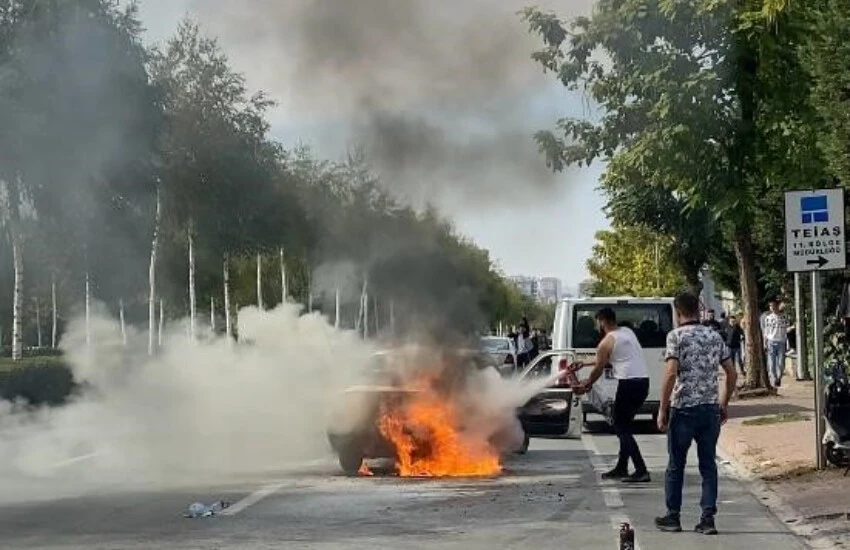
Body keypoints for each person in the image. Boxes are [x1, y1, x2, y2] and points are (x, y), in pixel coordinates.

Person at [655, 293, 737, 536]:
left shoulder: (676, 336)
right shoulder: (714, 336)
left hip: (683, 408)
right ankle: (707, 518)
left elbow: (671, 373)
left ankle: (673, 516)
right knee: (708, 465)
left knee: (676, 465)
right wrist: (723, 403)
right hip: (709, 408)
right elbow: (731, 372)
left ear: (678, 311)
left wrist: (662, 408)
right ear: (698, 310)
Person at [571, 307, 651, 483]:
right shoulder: (626, 332)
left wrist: (587, 383)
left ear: (602, 322)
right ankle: (622, 467)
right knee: (625, 426)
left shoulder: (606, 341)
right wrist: (584, 363)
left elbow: (600, 366)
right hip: (643, 383)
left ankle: (641, 469)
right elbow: (607, 358)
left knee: (621, 427)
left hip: (628, 384)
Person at [763, 299, 790, 387]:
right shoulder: (768, 318)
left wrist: (792, 327)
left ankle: (779, 377)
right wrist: (765, 343)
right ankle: (774, 378)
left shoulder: (784, 317)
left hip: (781, 341)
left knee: (781, 363)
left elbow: (787, 328)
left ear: (777, 306)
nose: (772, 308)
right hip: (771, 341)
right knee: (771, 363)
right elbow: (766, 332)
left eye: (774, 306)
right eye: (771, 306)